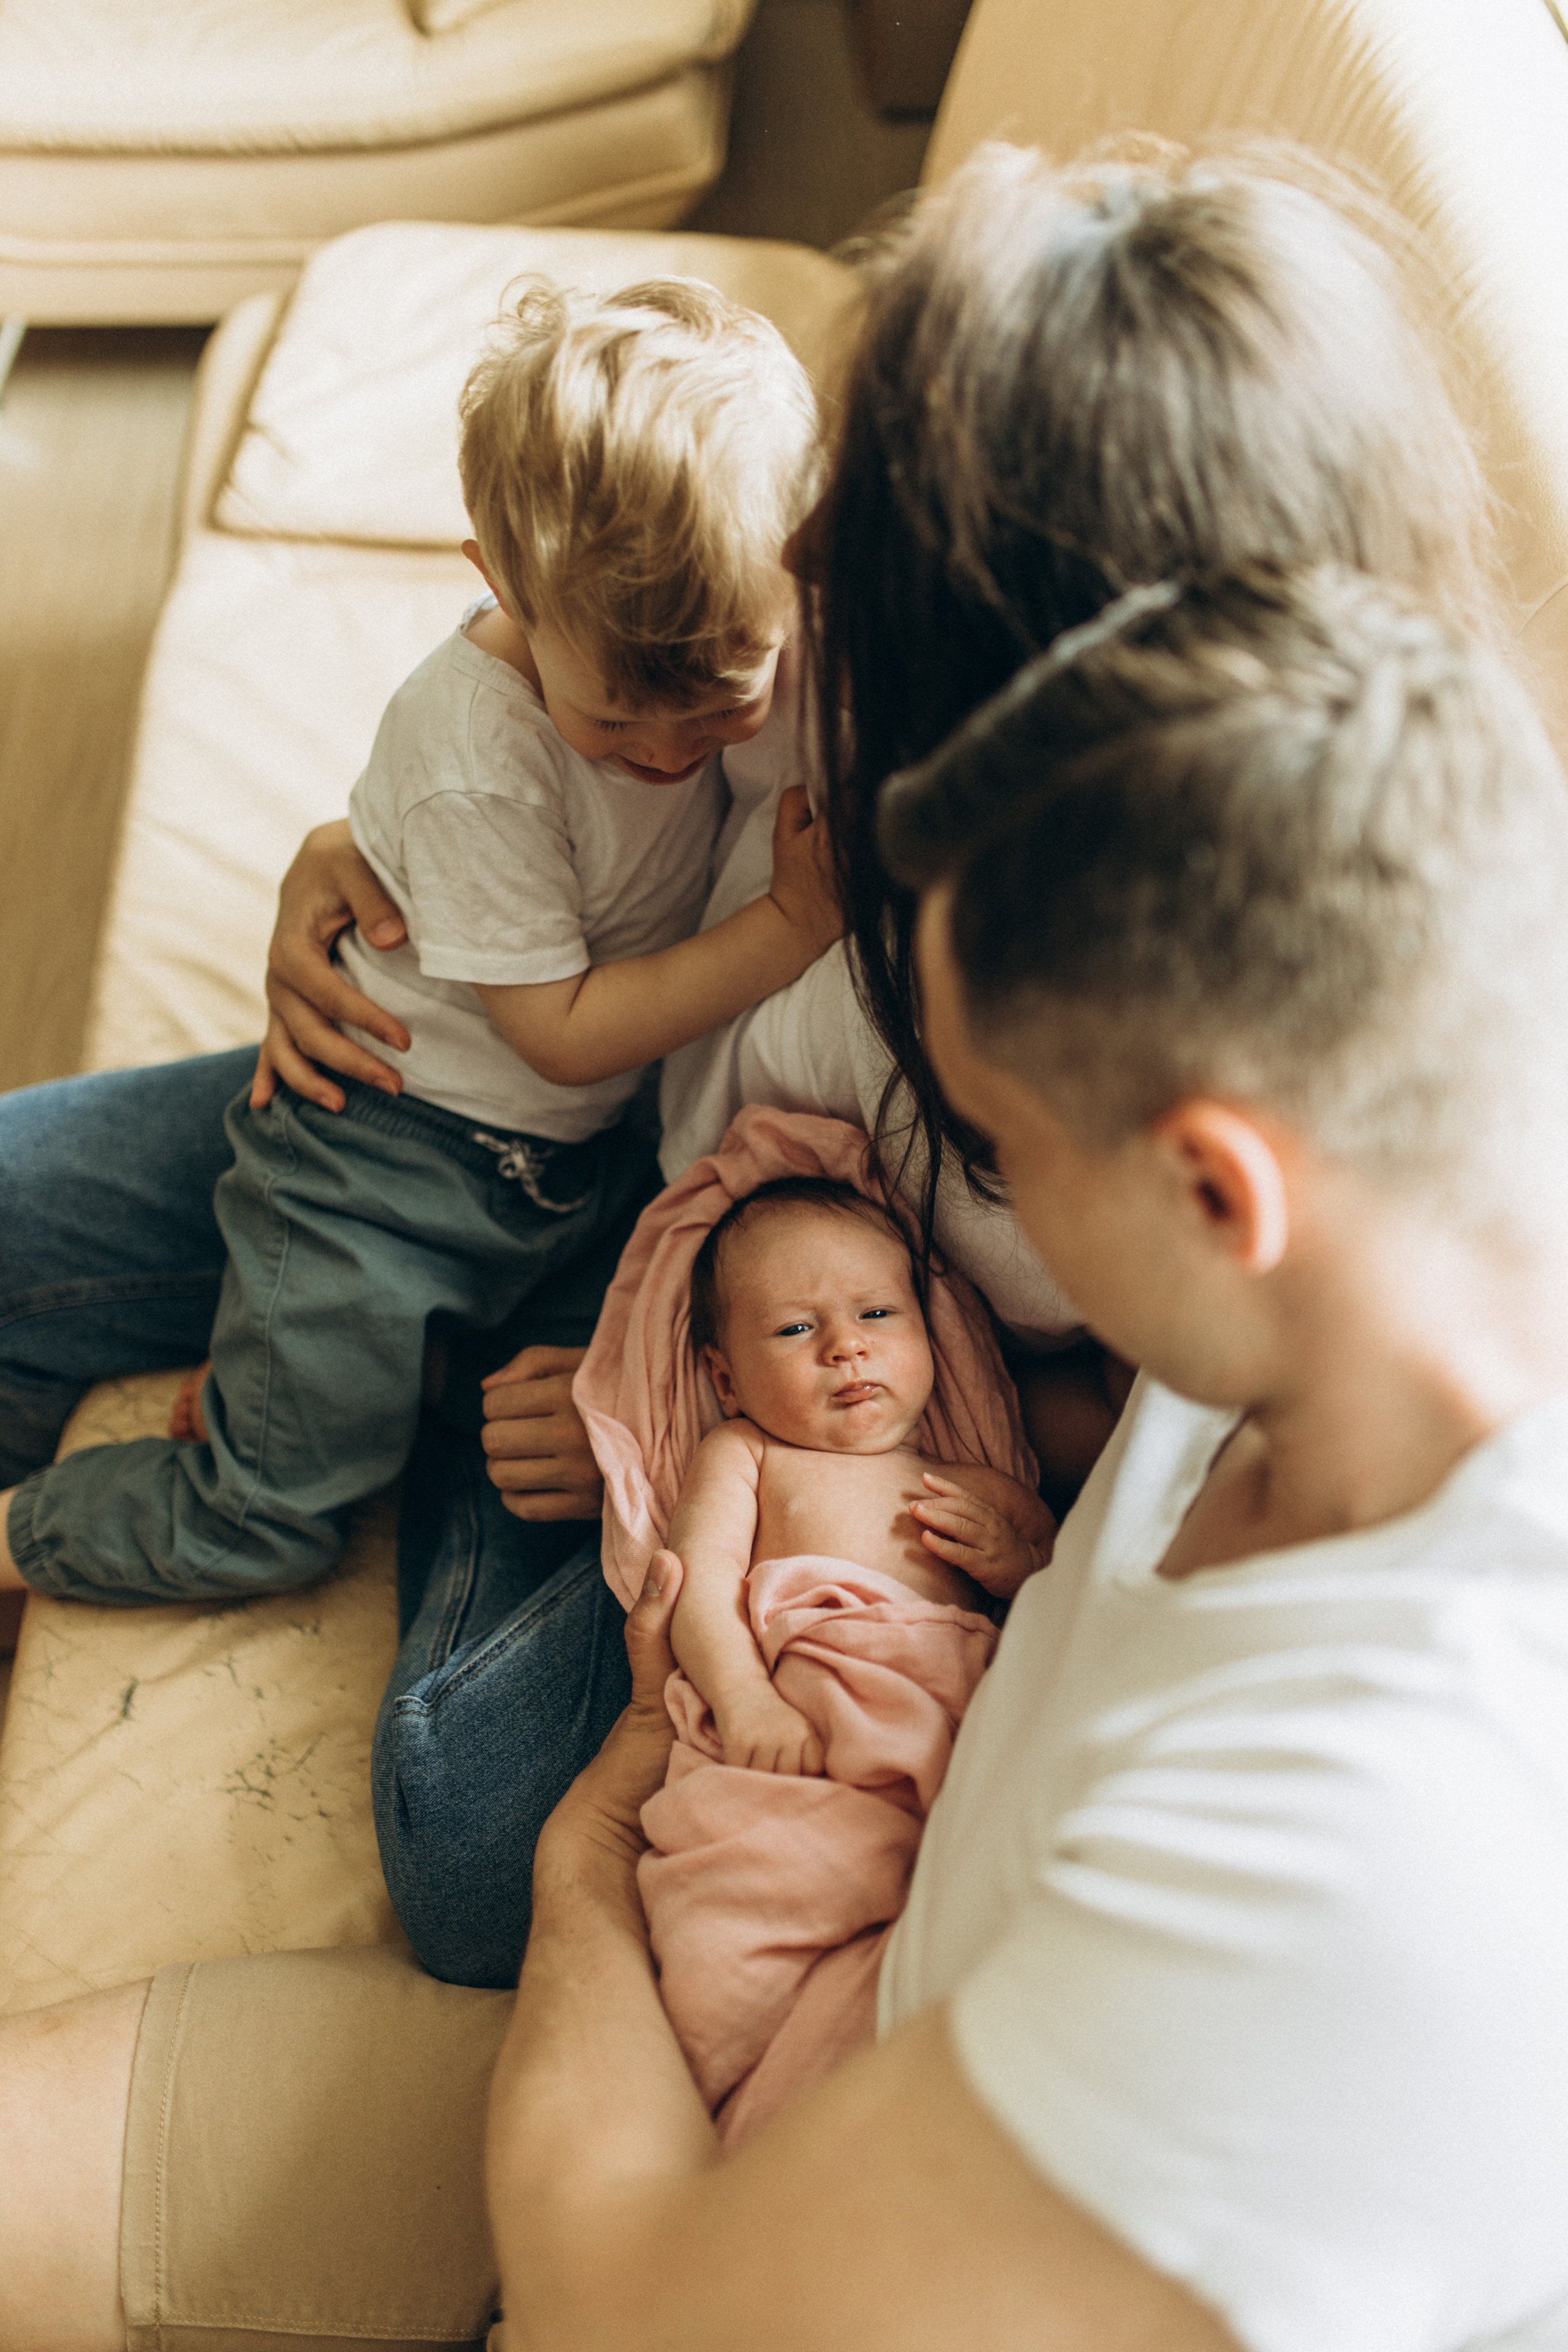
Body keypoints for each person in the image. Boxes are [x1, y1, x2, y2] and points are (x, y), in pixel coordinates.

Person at [14, 564, 1568, 2351]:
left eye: (992, 1139)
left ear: (1218, 1186)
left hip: (681, 2170)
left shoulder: (1367, 1843)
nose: (943, 1203)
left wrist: (589, 1857)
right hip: (704, 2029)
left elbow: (624, 2303)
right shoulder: (1340, 1304)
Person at [0, 141, 1500, 1988]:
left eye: (847, 586)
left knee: (469, 1834)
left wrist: (675, 1413)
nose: (794, 646)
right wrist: (369, 847)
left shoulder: (1132, 1018)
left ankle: (372, 1374)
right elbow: (585, 721)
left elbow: (1120, 1432)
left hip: (716, 1331)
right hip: (527, 1101)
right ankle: (361, 1352)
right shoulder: (805, 684)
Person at [0, 275, 831, 1616]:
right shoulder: (473, 755)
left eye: (721, 708)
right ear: (497, 581)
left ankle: (358, 1359)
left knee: (333, 1382)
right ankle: (26, 1532)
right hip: (381, 1159)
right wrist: (787, 926)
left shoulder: (770, 636)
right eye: (621, 725)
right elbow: (554, 1032)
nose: (674, 755)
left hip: (558, 1181)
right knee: (263, 1518)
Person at [671, 1174, 1051, 1773]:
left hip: (970, 1731)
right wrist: (744, 1698)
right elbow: (698, 1589)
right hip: (806, 1721)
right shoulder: (746, 1453)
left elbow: (1068, 1582)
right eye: (796, 1328)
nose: (847, 1345)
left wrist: (1018, 1566)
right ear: (725, 1381)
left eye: (875, 1313)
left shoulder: (974, 1488)